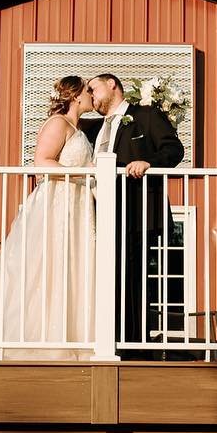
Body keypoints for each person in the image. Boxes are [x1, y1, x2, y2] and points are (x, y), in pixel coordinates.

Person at [0, 76, 95, 359]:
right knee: (47, 267)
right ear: (75, 96)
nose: (92, 96)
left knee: (71, 268)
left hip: (78, 203)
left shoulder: (78, 128)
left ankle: (72, 337)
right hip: (58, 202)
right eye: (88, 91)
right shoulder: (58, 124)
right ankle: (40, 339)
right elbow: (41, 162)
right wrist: (87, 173)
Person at [85, 73, 184, 353]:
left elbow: (174, 149)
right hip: (99, 212)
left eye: (93, 88)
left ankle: (134, 346)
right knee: (105, 277)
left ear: (112, 84)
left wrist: (147, 162)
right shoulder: (93, 128)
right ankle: (108, 341)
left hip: (137, 211)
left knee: (133, 277)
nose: (90, 95)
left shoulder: (145, 115)